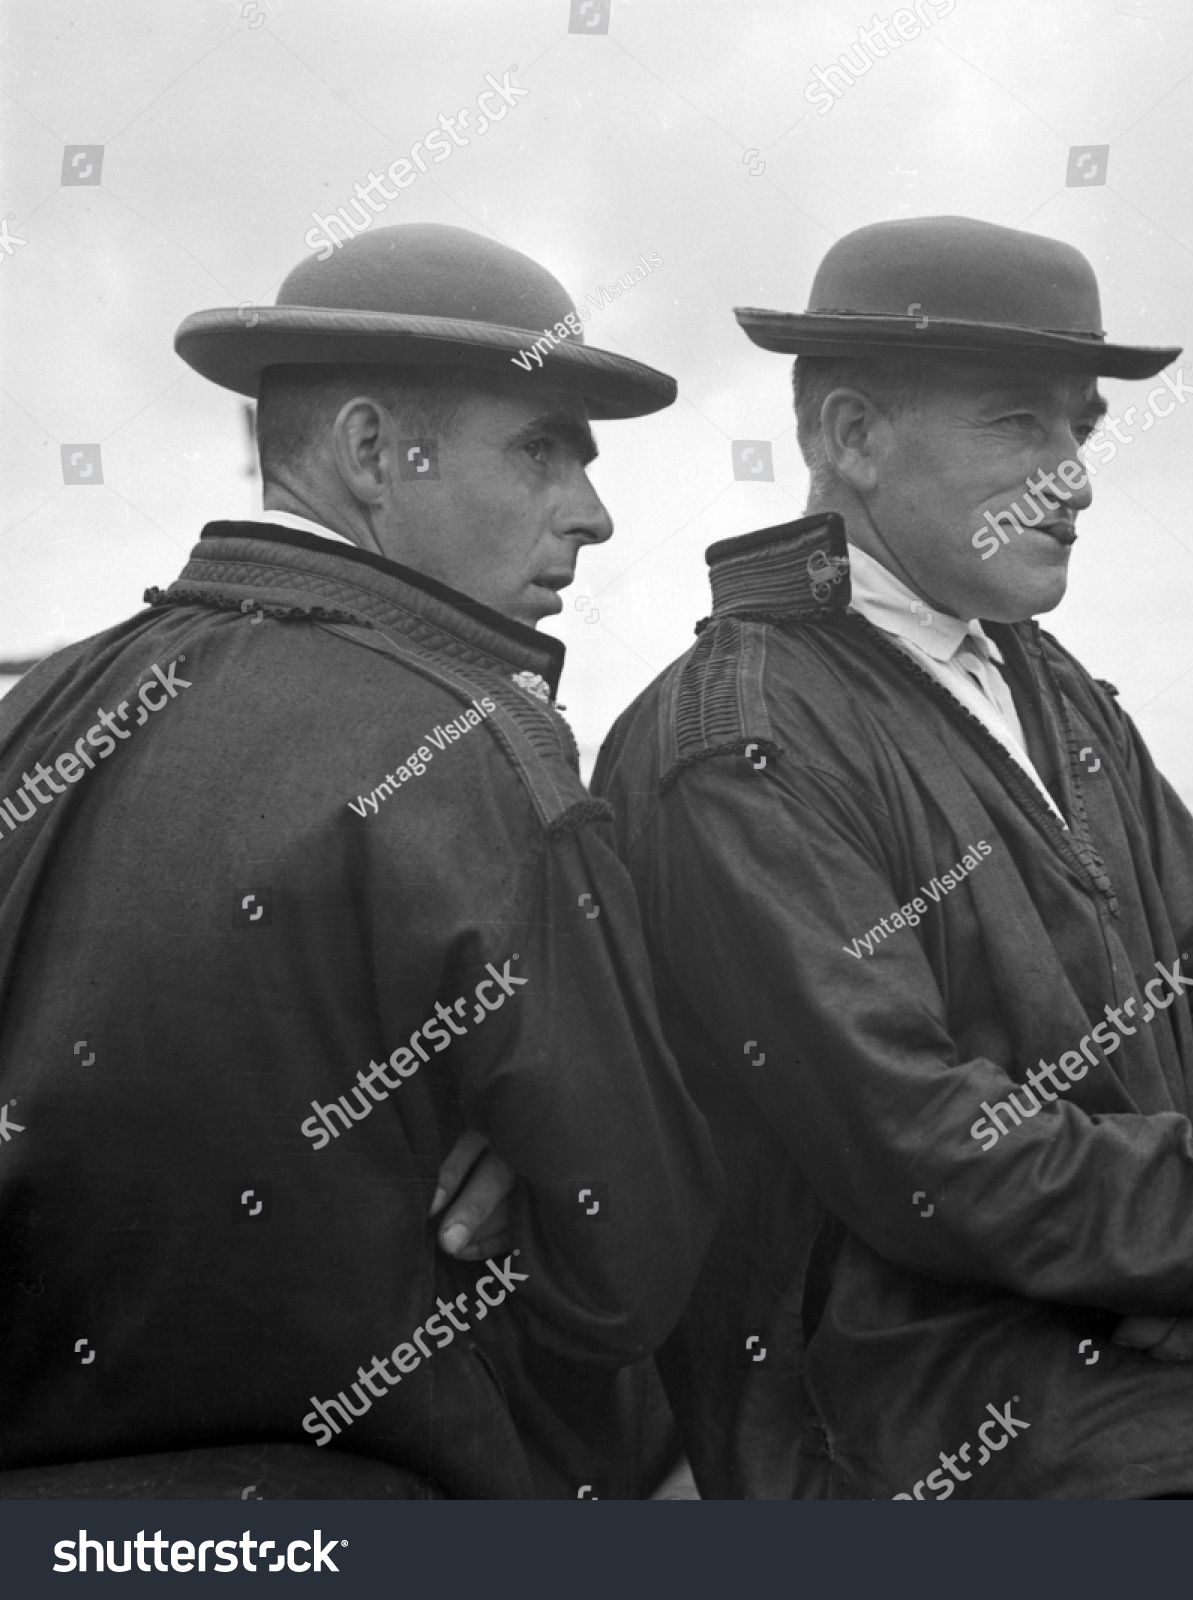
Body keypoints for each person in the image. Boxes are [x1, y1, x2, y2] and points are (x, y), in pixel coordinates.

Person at [594, 216, 1193, 1499]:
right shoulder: (739, 743)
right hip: (906, 1439)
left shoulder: (1048, 687)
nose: (1075, 476)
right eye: (1021, 425)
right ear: (850, 435)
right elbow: (929, 1147)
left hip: (1170, 1389)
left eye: (1083, 426)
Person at [0, 223, 720, 1498]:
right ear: (377, 452)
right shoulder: (476, 749)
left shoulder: (36, 715)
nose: (595, 515)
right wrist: (528, 1201)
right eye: (544, 449)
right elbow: (636, 1262)